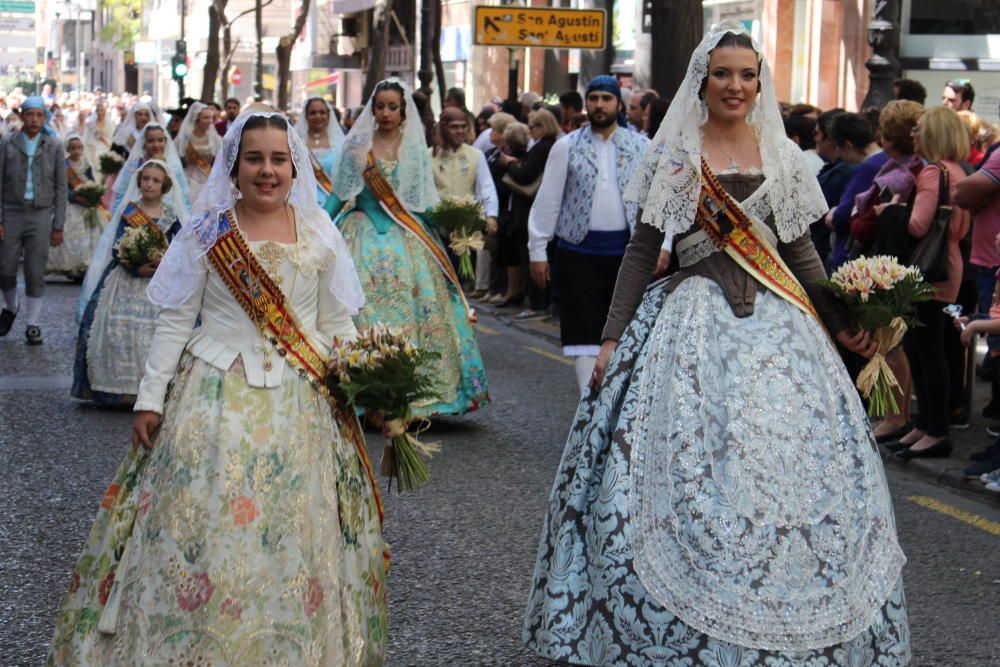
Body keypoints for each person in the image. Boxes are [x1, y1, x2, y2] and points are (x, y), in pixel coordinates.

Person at [524, 22, 909, 666]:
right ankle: (691, 629)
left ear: (760, 82)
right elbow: (643, 251)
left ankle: (786, 615)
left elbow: (802, 254)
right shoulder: (675, 152)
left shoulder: (781, 152)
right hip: (690, 322)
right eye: (723, 74)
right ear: (702, 81)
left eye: (747, 74)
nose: (735, 85)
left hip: (781, 335)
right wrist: (612, 337)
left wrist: (844, 321)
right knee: (691, 476)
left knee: (786, 475)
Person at [48, 110, 388, 665]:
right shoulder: (209, 230)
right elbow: (176, 321)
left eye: (278, 159)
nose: (267, 171)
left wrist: (371, 382)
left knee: (294, 535)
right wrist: (150, 398)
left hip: (301, 406)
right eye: (254, 158)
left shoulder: (322, 230)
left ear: (295, 165)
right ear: (233, 165)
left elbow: (336, 325)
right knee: (203, 532)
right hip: (211, 401)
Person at [325, 78, 489, 416]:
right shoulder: (358, 147)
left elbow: (421, 203)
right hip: (361, 233)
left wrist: (455, 219)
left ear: (403, 112)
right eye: (379, 106)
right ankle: (365, 394)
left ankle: (412, 394)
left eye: (392, 107)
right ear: (372, 110)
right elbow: (340, 194)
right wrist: (317, 226)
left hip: (406, 236)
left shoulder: (414, 147)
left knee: (422, 312)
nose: (385, 113)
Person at [526, 76, 649, 391]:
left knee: (624, 332)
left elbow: (655, 201)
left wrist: (662, 246)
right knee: (582, 334)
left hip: (626, 257)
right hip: (577, 253)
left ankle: (617, 405)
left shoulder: (641, 146)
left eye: (606, 99)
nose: (599, 105)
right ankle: (586, 407)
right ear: (586, 104)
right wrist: (538, 251)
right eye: (593, 98)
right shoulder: (566, 146)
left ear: (617, 104)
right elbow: (548, 201)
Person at [882, 106, 972, 459]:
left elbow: (917, 226)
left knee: (926, 351)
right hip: (947, 264)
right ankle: (925, 424)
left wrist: (890, 211)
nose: (914, 135)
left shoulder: (932, 173)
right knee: (927, 348)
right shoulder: (957, 170)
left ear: (932, 134)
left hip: (927, 269)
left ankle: (935, 430)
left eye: (919, 130)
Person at [71, 160, 185, 406]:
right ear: (139, 182)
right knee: (116, 330)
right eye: (146, 179)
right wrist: (135, 266)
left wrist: (166, 265)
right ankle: (118, 390)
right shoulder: (129, 212)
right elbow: (117, 247)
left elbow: (182, 244)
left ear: (164, 185)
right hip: (126, 279)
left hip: (161, 281)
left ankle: (156, 391)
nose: (149, 184)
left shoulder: (170, 215)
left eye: (155, 180)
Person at [849, 100, 924, 442]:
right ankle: (898, 414)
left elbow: (863, 226)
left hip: (887, 263)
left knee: (890, 344)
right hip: (893, 261)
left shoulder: (898, 175)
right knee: (892, 344)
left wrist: (863, 217)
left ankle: (895, 416)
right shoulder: (910, 170)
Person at [0, 96, 67, 345]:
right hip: (11, 211)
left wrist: (58, 224)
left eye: (39, 115)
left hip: (40, 213)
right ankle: (11, 306)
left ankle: (33, 323)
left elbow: (61, 188)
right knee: (5, 268)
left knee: (34, 269)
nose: (34, 120)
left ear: (44, 117)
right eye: (30, 115)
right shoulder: (8, 143)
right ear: (22, 116)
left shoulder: (54, 145)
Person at [430, 107, 499, 300]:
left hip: (466, 234)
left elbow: (486, 188)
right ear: (443, 128)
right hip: (436, 231)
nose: (460, 131)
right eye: (454, 127)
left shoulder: (476, 155)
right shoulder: (429, 156)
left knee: (459, 287)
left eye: (463, 127)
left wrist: (491, 216)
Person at [823, 112, 886, 270]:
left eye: (839, 148)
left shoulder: (869, 167)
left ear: (848, 146)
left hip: (852, 256)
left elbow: (842, 214)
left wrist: (834, 213)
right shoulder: (886, 159)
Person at [46, 133, 107, 279]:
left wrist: (92, 195)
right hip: (71, 205)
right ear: (68, 149)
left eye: (79, 148)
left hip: (86, 204)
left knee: (91, 235)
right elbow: (61, 187)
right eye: (73, 148)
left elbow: (91, 181)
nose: (76, 151)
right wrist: (75, 197)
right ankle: (69, 266)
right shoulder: (63, 165)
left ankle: (85, 266)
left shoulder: (86, 165)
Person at [112, 122, 190, 216]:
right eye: (151, 141)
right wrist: (116, 217)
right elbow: (121, 194)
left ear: (166, 141)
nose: (156, 145)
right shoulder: (134, 165)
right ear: (144, 143)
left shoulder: (174, 166)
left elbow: (184, 198)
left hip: (168, 217)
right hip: (135, 217)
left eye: (160, 140)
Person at [812, 108, 851, 264]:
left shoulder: (840, 173)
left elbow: (814, 212)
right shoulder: (834, 169)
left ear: (830, 139)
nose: (815, 139)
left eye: (817, 134)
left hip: (823, 251)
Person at [295, 97, 345, 208]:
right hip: (299, 203)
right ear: (306, 116)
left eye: (322, 112)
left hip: (331, 205)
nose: (318, 116)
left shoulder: (340, 144)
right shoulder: (296, 142)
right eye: (313, 113)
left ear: (328, 115)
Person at [176, 101, 222, 203]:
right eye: (205, 118)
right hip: (188, 182)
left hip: (209, 181)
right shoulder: (184, 139)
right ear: (196, 119)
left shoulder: (215, 139)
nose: (209, 121)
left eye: (210, 117)